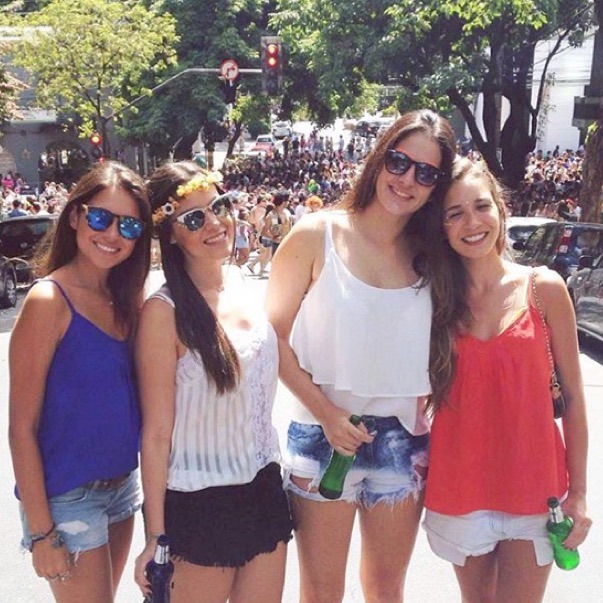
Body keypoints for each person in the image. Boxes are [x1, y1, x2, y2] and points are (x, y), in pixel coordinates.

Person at [266, 110, 457, 602]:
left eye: (426, 173)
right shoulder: (317, 234)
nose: (407, 180)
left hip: (404, 441)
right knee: (321, 592)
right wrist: (326, 412)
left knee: (386, 589)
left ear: (437, 186)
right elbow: (272, 339)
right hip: (322, 434)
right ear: (378, 159)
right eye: (399, 161)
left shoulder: (434, 254)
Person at [423, 157, 591, 602]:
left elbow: (574, 400)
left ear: (500, 209)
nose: (472, 223)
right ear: (441, 227)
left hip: (536, 490)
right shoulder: (432, 299)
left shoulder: (543, 288)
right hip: (459, 486)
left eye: (481, 206)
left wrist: (579, 493)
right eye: (455, 213)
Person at [134, 162, 293, 603]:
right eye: (194, 218)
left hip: (263, 491)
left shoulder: (243, 284)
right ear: (170, 235)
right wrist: (155, 535)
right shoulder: (163, 313)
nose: (215, 222)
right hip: (197, 504)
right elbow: (156, 433)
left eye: (219, 206)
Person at [8, 161, 151, 602]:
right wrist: (41, 532)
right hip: (68, 496)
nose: (112, 234)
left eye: (129, 225)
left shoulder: (127, 297)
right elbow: (21, 428)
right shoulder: (49, 299)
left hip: (122, 486)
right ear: (75, 216)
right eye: (100, 217)